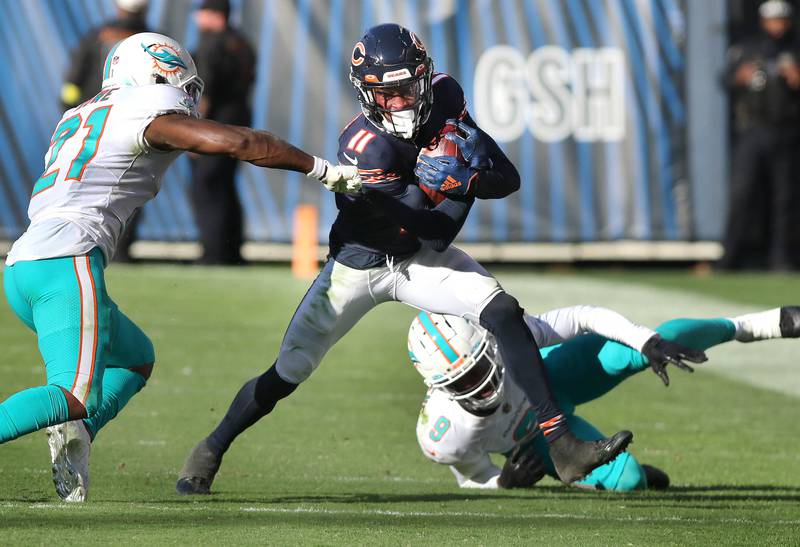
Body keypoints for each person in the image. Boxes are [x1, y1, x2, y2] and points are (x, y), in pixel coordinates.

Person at [175, 24, 702, 495]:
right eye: (391, 94)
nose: (403, 101)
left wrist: (464, 178)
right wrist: (452, 183)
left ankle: (561, 443)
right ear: (369, 98)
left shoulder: (446, 98)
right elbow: (433, 224)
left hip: (417, 258)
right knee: (288, 372)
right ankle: (211, 448)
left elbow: (505, 177)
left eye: (410, 88)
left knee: (502, 311)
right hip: (360, 266)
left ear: (427, 78)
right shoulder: (366, 149)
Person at [0, 32, 359, 502]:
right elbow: (240, 142)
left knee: (134, 358)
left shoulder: (81, 114)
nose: (187, 97)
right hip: (66, 261)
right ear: (153, 76)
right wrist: (324, 171)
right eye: (181, 84)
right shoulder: (141, 113)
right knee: (72, 394)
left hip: (26, 266)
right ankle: (76, 421)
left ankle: (78, 435)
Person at [412, 306, 800, 490]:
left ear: (492, 346)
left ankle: (756, 325)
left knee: (653, 342)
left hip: (552, 376)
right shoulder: (443, 433)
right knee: (630, 482)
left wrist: (645, 341)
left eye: (480, 370)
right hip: (542, 439)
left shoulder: (511, 336)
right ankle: (633, 469)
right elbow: (472, 479)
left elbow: (585, 316)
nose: (481, 387)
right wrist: (504, 482)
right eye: (464, 382)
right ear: (436, 386)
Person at [60, 0, 151, 263]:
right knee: (131, 188)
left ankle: (84, 248)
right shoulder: (151, 41)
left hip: (93, 126)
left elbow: (72, 81)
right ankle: (120, 250)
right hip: (134, 125)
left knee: (86, 189)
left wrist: (70, 112)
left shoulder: (96, 37)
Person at [720, 0, 800, 271]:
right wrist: (739, 77)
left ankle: (781, 260)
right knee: (742, 195)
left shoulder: (795, 49)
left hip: (787, 131)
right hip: (753, 130)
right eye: (772, 19)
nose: (776, 25)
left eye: (781, 19)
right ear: (763, 21)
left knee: (785, 200)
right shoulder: (749, 48)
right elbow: (726, 79)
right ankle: (729, 259)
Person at [189, 0, 257, 265]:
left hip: (212, 129)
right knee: (226, 187)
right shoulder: (242, 44)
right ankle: (232, 252)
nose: (198, 18)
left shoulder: (210, 44)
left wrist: (193, 132)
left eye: (202, 12)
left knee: (207, 188)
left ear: (215, 15)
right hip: (238, 125)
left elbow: (203, 93)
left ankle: (213, 254)